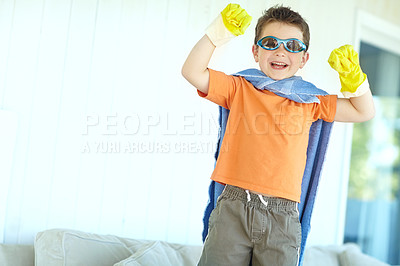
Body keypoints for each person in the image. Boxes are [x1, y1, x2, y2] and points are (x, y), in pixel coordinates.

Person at [181, 3, 375, 266]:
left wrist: (355, 80)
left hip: (282, 216)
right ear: (256, 51)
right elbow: (192, 71)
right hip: (233, 206)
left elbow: (362, 111)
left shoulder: (310, 101)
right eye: (271, 42)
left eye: (293, 46)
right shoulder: (239, 88)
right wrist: (218, 32)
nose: (281, 51)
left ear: (304, 58)